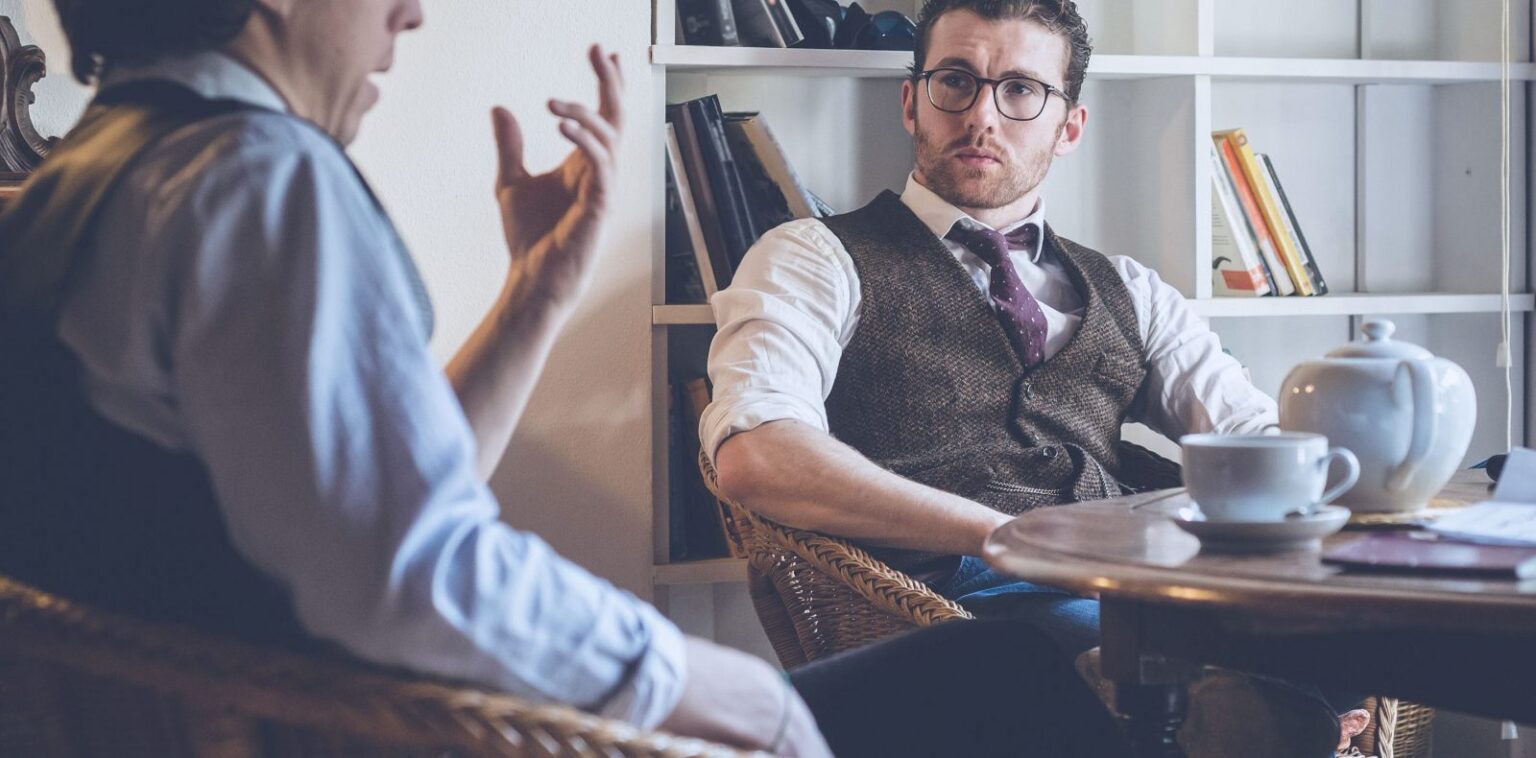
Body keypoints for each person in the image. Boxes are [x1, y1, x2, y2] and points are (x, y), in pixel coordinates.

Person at [0, 1, 1135, 755]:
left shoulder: (94, 175)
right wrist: (724, 689)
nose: (408, 13)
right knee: (1007, 675)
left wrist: (535, 292)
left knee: (1001, 665)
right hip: (387, 727)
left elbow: (386, 501)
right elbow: (411, 571)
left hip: (264, 706)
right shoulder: (259, 180)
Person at [704, 0, 1349, 753]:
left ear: (1068, 127)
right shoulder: (814, 258)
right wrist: (1005, 536)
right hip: (961, 605)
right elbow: (758, 456)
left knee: (1349, 638)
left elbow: (1255, 436)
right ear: (912, 103)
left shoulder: (1131, 289)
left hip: (1142, 589)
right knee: (1127, 670)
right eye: (955, 81)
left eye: (1020, 90)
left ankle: (1256, 706)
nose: (982, 115)